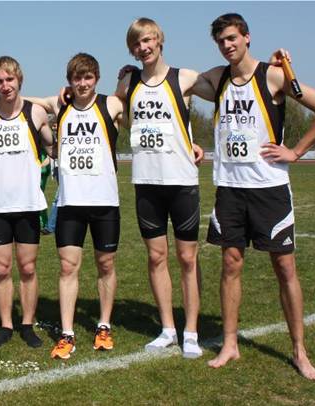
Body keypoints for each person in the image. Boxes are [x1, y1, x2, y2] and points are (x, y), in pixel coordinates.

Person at [202, 13, 315, 379]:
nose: (227, 45)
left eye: (232, 38)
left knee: (285, 267)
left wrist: (295, 152)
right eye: (220, 41)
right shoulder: (217, 80)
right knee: (230, 264)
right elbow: (174, 83)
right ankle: (230, 344)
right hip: (230, 190)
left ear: (246, 37)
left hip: (269, 190)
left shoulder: (274, 75)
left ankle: (299, 351)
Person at [14, 53, 124, 359]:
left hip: (105, 202)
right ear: (70, 81)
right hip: (70, 203)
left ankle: (103, 325)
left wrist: (125, 76)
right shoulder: (61, 105)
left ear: (96, 79)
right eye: (77, 78)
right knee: (67, 267)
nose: (83, 83)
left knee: (105, 265)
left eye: (88, 77)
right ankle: (67, 332)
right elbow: (25, 101)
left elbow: (141, 102)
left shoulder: (109, 104)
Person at [114, 18, 207, 358]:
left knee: (186, 257)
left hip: (181, 181)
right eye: (137, 43)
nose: (144, 47)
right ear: (132, 49)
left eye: (149, 40)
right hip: (146, 183)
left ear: (160, 40)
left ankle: (192, 331)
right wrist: (116, 86)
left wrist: (195, 143)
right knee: (156, 257)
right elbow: (121, 120)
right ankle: (168, 328)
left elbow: (226, 88)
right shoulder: (128, 81)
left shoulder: (185, 77)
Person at [0, 56, 54, 348]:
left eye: (10, 80)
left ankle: (28, 324)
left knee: (28, 268)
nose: (5, 86)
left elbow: (53, 145)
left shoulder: (36, 113)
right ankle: (6, 325)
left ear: (19, 80)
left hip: (29, 204)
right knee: (2, 269)